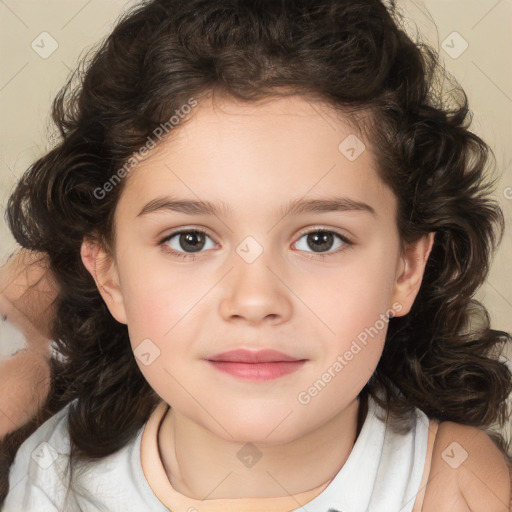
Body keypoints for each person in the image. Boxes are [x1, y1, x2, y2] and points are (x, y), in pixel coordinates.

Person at [0, 0, 511, 510]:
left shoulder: (456, 485)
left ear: (406, 269)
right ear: (108, 274)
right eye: (190, 240)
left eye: (320, 239)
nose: (255, 300)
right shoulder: (50, 476)